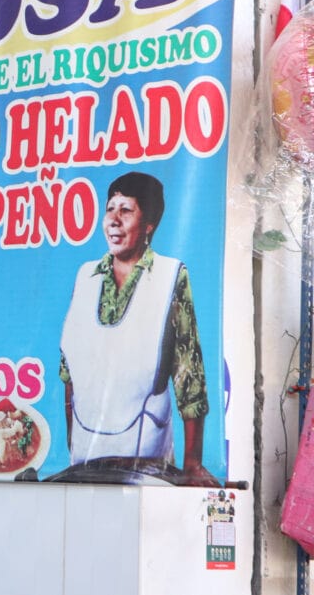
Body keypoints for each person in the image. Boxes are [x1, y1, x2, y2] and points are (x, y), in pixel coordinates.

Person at [58, 171, 214, 484]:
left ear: (149, 224)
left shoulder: (171, 276)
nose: (113, 220)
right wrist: (70, 448)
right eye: (109, 209)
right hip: (84, 461)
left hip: (145, 463)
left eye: (126, 210)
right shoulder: (85, 276)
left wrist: (192, 464)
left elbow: (189, 377)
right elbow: (69, 372)